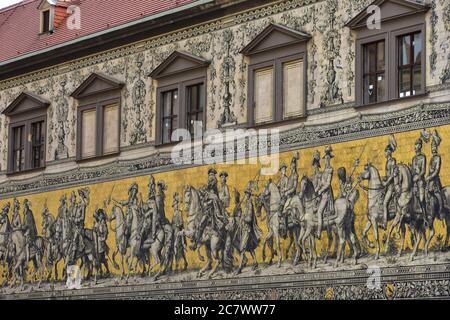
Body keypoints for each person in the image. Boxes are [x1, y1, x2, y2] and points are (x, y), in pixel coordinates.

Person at [315, 146, 335, 239]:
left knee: (319, 212)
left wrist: (321, 190)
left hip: (326, 194)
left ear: (330, 159)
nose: (326, 160)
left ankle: (318, 232)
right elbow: (321, 183)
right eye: (325, 158)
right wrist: (316, 190)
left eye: (327, 158)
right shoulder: (323, 171)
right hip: (321, 193)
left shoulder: (330, 170)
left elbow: (327, 184)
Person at [427, 130, 444, 218]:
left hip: (435, 180)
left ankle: (441, 210)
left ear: (436, 148)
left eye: (434, 146)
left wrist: (430, 177)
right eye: (432, 147)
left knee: (437, 193)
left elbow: (436, 171)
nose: (433, 148)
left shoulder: (438, 158)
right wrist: (427, 177)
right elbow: (429, 170)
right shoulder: (431, 158)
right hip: (429, 180)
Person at [382, 136, 397, 229]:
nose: (385, 153)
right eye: (385, 151)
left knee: (384, 203)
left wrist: (386, 182)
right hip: (387, 185)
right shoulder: (387, 161)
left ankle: (384, 223)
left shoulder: (392, 161)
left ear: (390, 152)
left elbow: (391, 175)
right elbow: (387, 175)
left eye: (386, 151)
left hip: (391, 186)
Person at [172, 192, 188, 271]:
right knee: (176, 249)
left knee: (178, 249)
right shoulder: (174, 213)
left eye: (175, 205)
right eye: (173, 206)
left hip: (178, 232)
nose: (174, 207)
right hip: (174, 233)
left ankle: (179, 265)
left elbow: (181, 222)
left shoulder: (179, 212)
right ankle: (182, 263)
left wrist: (177, 225)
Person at [412, 138, 427, 216]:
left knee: (421, 198)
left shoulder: (423, 157)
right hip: (413, 181)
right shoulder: (414, 158)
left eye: (417, 144)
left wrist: (417, 178)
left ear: (420, 146)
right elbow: (412, 171)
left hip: (420, 181)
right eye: (415, 144)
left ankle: (425, 216)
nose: (415, 146)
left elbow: (423, 171)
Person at [23, 199, 38, 264]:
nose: (24, 207)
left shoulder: (29, 213)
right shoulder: (25, 213)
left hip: (30, 230)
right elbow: (24, 223)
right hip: (26, 229)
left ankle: (27, 260)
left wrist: (24, 227)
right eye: (24, 205)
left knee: (27, 245)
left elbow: (29, 224)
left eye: (25, 205)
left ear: (27, 206)